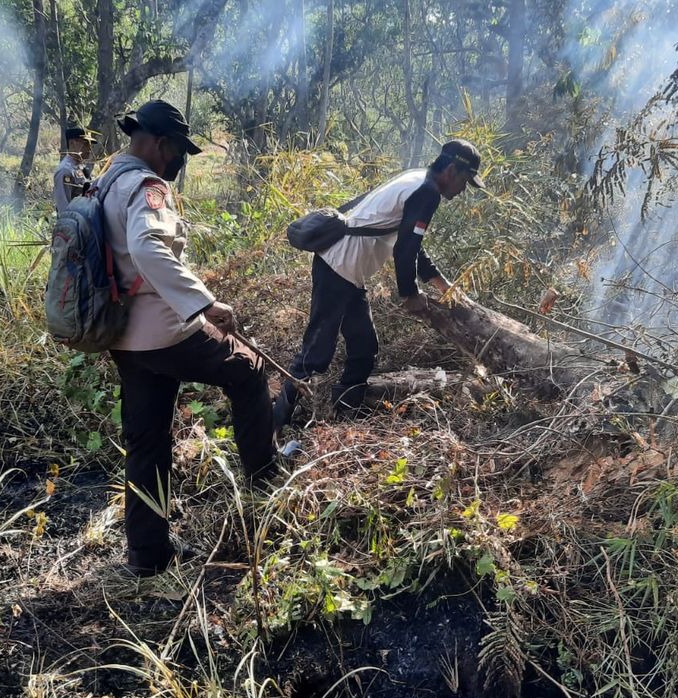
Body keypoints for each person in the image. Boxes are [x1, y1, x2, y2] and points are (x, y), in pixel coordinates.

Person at [102, 99, 277, 578]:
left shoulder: (104, 182)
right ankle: (268, 492)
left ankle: (147, 554)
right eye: (180, 150)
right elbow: (146, 245)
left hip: (125, 338)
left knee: (146, 439)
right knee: (249, 369)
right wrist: (205, 303)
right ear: (162, 144)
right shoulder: (146, 184)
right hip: (164, 330)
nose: (179, 161)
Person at [272, 139, 485, 431]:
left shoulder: (416, 179)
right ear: (450, 170)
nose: (462, 190)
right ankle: (271, 426)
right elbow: (406, 248)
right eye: (464, 181)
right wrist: (409, 295)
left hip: (346, 271)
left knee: (364, 346)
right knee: (315, 355)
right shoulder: (426, 192)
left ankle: (344, 416)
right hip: (340, 268)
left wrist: (443, 286)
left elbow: (412, 244)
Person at [53, 126, 96, 215]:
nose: (89, 149)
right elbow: (63, 207)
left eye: (90, 145)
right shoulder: (65, 171)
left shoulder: (80, 166)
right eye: (85, 144)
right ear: (72, 144)